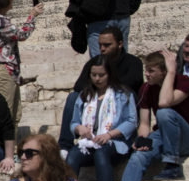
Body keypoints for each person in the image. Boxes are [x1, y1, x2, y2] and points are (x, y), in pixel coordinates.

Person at [104, 50, 189, 181]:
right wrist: (142, 140)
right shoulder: (146, 88)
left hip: (186, 136)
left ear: (164, 72)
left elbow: (164, 102)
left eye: (151, 71)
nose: (146, 74)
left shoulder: (184, 82)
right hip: (163, 136)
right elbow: (144, 123)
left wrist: (172, 72)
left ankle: (173, 165)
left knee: (164, 113)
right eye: (146, 70)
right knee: (139, 154)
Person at [65, 55, 137, 181]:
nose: (97, 79)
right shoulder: (85, 95)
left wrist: (109, 135)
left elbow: (131, 121)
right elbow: (74, 122)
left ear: (109, 74)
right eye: (94, 75)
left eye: (101, 75)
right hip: (88, 143)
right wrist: (79, 128)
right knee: (73, 155)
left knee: (101, 153)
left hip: (114, 143)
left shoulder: (123, 94)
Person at [58, 26, 143, 156]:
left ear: (120, 44)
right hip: (96, 100)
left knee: (129, 95)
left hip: (120, 108)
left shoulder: (133, 62)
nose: (102, 49)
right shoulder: (94, 62)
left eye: (107, 45)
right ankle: (65, 146)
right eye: (100, 45)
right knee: (73, 97)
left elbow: (134, 83)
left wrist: (108, 87)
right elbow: (79, 86)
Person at [0, 0, 43, 128]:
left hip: (9, 70)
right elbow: (21, 35)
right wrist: (32, 16)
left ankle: (12, 141)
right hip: (2, 69)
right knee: (5, 114)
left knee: (15, 115)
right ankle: (3, 143)